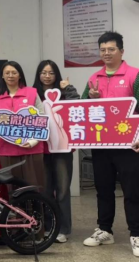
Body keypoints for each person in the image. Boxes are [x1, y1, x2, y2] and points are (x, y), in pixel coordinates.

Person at [81, 32, 139, 257]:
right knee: (103, 189)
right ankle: (105, 230)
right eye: (103, 50)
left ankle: (136, 233)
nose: (106, 53)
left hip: (129, 145)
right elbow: (81, 109)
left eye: (111, 49)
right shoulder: (93, 78)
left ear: (121, 51)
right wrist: (91, 98)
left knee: (132, 190)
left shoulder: (135, 75)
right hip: (101, 144)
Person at [33, 60, 80, 244]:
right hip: (40, 148)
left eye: (51, 73)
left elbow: (77, 107)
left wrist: (68, 88)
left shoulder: (64, 92)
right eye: (44, 72)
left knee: (62, 190)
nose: (47, 76)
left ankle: (63, 229)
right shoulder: (32, 93)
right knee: (44, 190)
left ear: (57, 75)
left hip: (62, 148)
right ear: (38, 74)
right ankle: (47, 227)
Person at [0, 61, 46, 187]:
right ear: (2, 76)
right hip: (7, 149)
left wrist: (33, 141)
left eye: (14, 72)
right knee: (13, 188)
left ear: (20, 75)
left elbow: (42, 118)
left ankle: (36, 202)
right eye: (7, 73)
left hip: (32, 149)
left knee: (34, 186)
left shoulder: (32, 93)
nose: (10, 75)